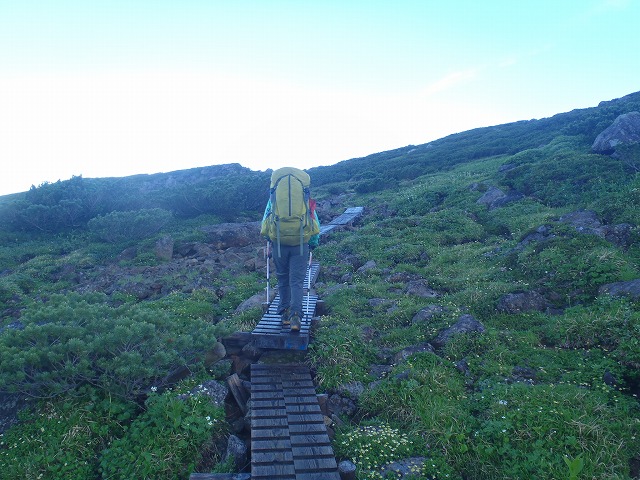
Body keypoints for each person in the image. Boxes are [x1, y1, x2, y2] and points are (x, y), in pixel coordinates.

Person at [261, 168, 320, 332]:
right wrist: (313, 242)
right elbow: (314, 220)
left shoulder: (274, 199)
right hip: (300, 244)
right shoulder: (305, 198)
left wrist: (269, 240)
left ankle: (284, 314)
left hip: (279, 243)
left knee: (282, 279)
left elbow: (266, 221)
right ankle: (295, 317)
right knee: (297, 281)